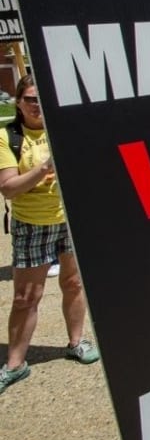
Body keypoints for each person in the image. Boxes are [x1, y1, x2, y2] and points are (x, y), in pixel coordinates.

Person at [0, 74, 100, 394]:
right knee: (27, 297)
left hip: (68, 221)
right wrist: (43, 169)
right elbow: (8, 188)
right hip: (31, 224)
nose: (36, 105)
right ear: (18, 102)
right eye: (30, 99)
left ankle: (76, 341)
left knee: (73, 283)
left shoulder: (63, 130)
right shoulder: (9, 137)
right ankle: (15, 363)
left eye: (41, 99)